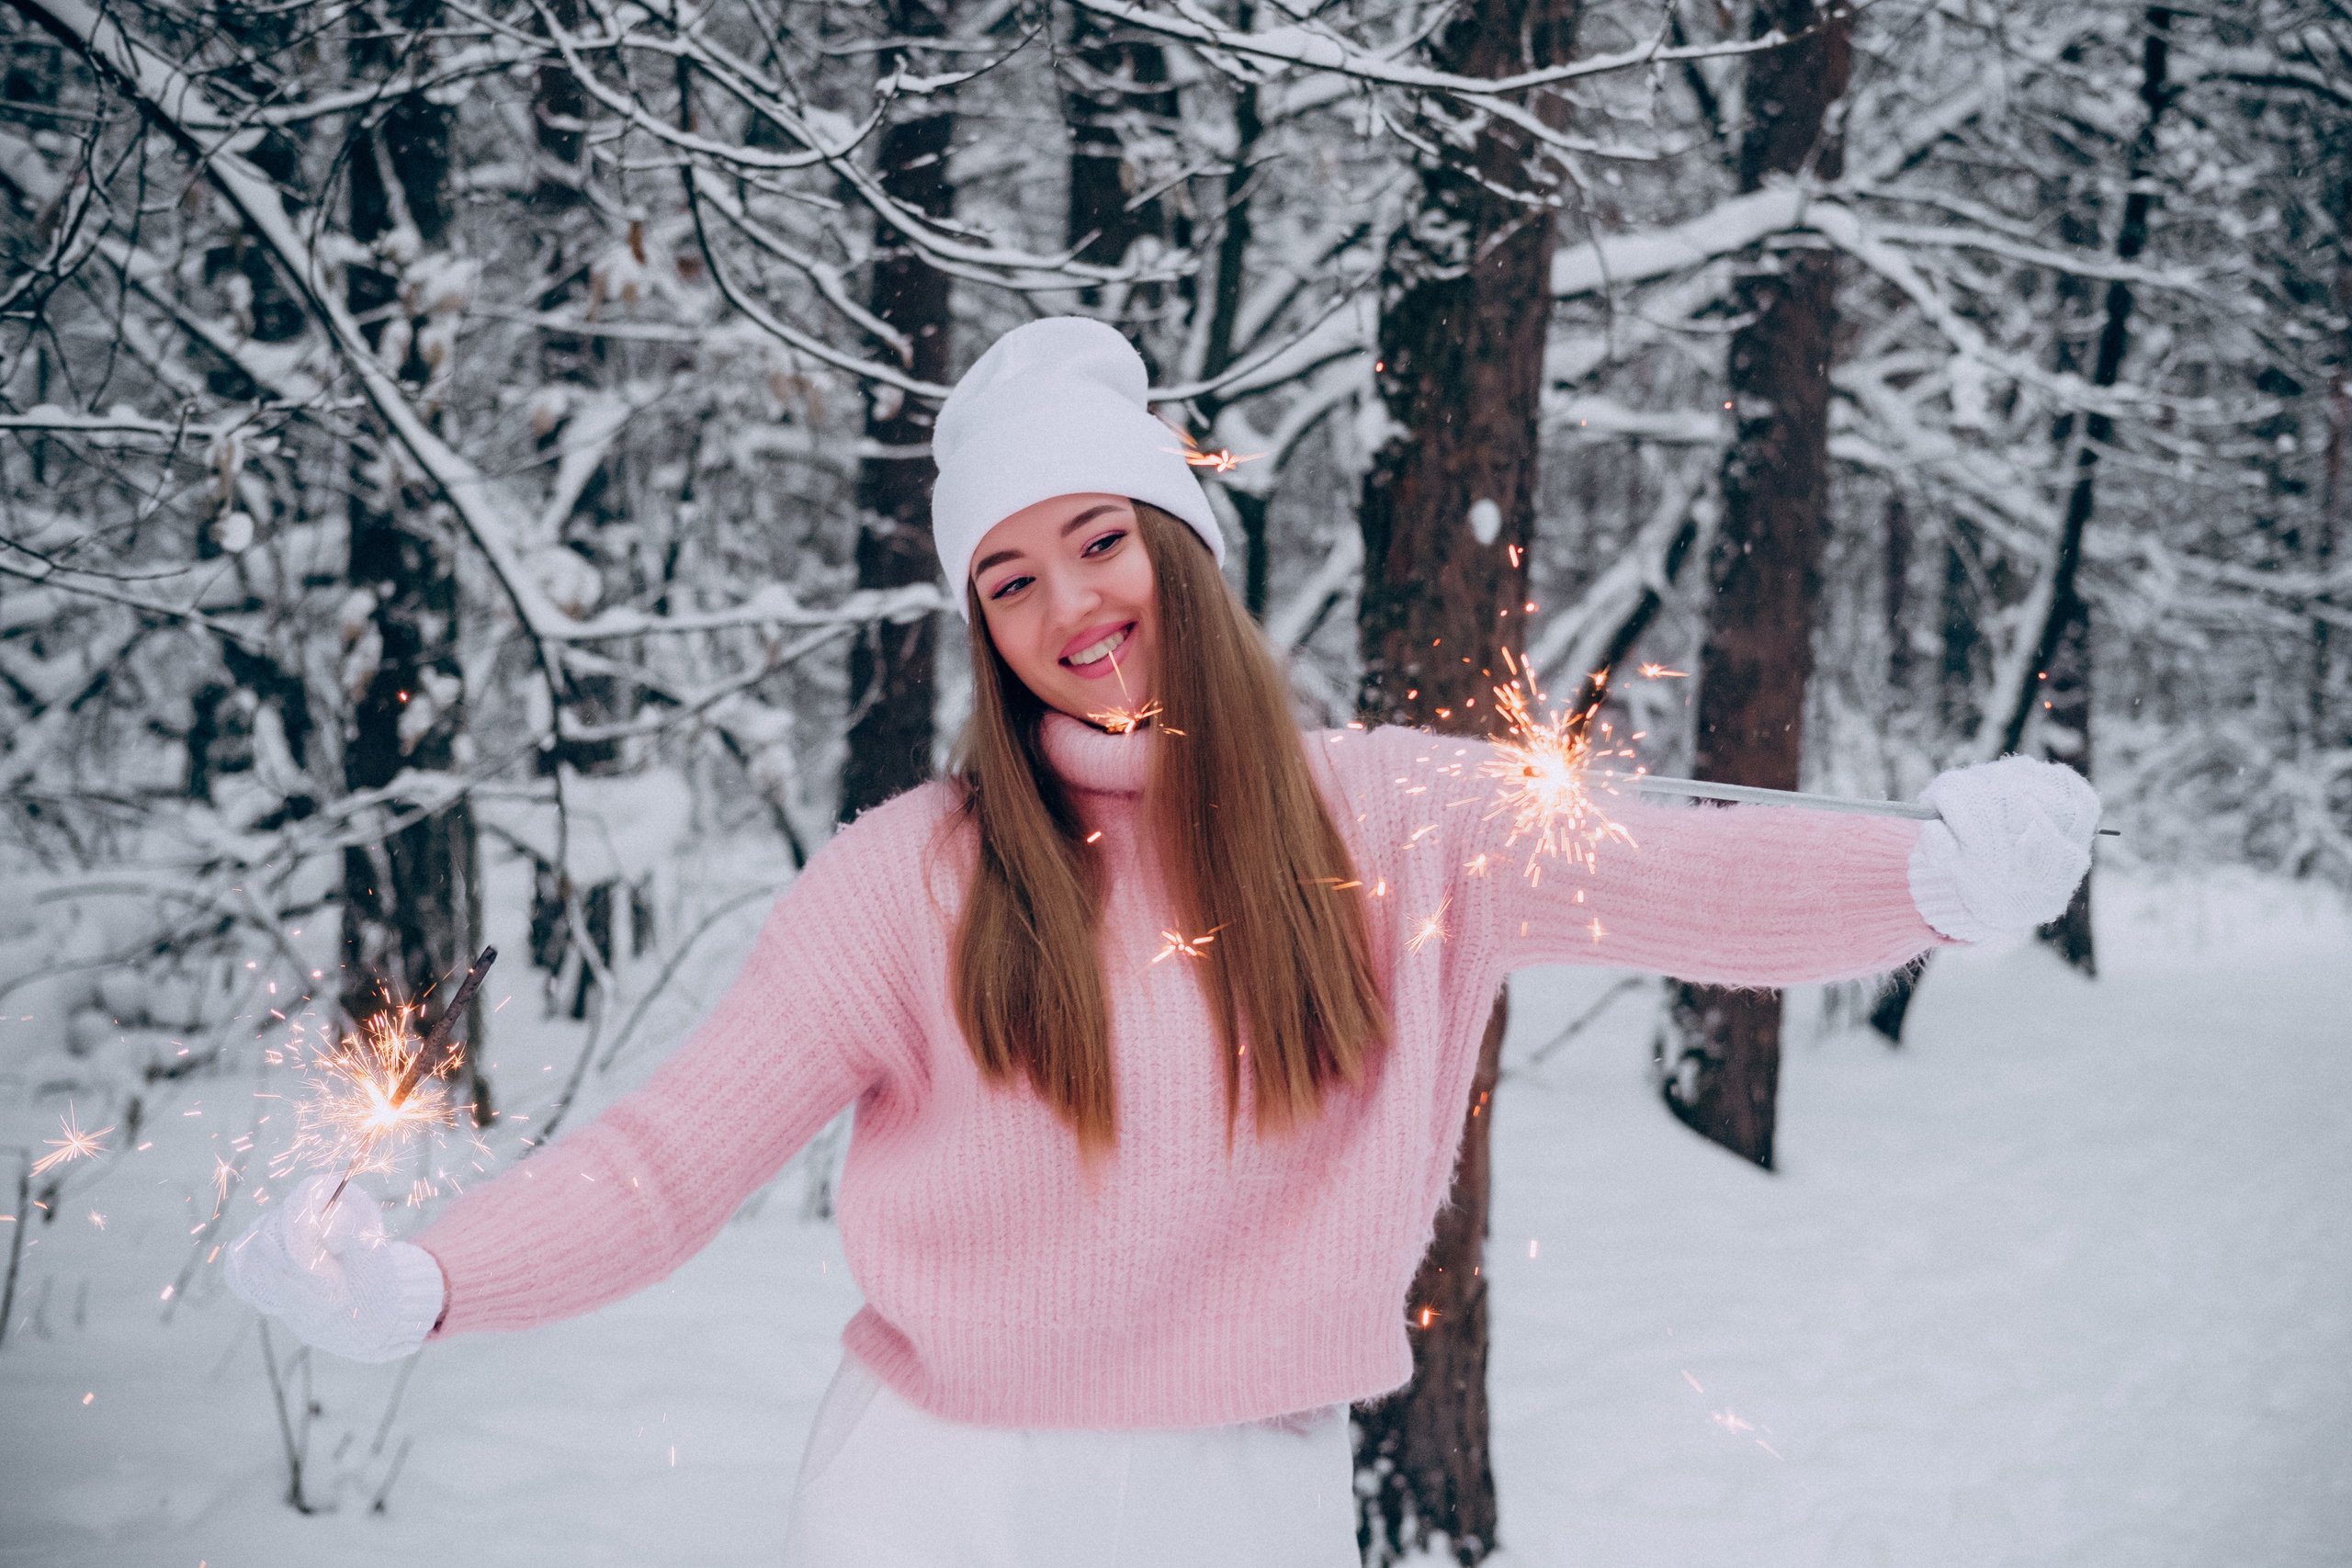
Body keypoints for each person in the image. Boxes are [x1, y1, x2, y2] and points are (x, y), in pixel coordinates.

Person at [226, 318, 2100, 1566]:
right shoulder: (911, 877)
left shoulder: (1391, 816)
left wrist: (1925, 880)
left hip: (1242, 1498)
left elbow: (1672, 871)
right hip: (938, 1496)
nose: (1068, 606)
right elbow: (662, 1160)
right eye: (1010, 577)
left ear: (1179, 546)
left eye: (1099, 539)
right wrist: (431, 1280)